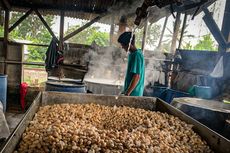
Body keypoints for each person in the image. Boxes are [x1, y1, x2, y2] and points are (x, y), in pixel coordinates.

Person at [118, 32, 145, 96]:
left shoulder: (137, 55)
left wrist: (127, 93)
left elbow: (137, 76)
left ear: (129, 44)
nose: (122, 47)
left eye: (123, 45)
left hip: (134, 93)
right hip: (130, 92)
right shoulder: (132, 54)